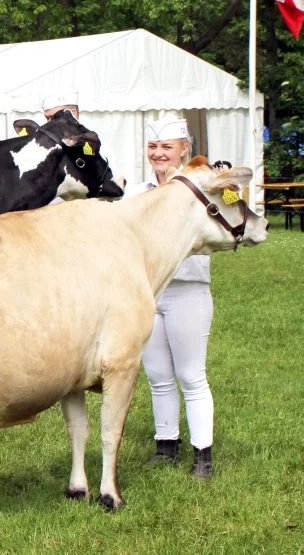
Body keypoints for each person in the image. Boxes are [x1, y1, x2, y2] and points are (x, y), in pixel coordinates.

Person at [134, 114, 216, 479]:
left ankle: (203, 455)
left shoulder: (201, 187)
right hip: (150, 293)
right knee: (157, 374)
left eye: (167, 147)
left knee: (191, 374)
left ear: (185, 149)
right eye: (153, 147)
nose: (159, 153)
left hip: (188, 290)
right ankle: (166, 445)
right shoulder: (138, 192)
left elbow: (231, 209)